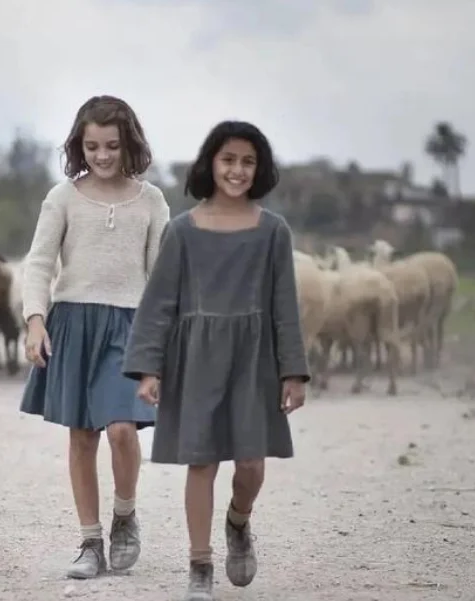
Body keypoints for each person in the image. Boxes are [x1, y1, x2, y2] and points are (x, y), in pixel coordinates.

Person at [122, 120, 310, 601]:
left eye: (248, 161)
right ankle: (199, 565)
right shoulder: (182, 231)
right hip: (197, 360)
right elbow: (159, 304)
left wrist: (293, 371)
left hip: (253, 361)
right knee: (201, 462)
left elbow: (285, 306)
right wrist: (149, 368)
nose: (237, 170)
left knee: (251, 463)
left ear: (259, 169)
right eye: (228, 159)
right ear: (210, 163)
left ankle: (238, 521)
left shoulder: (273, 231)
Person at [20, 95, 171, 580]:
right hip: (73, 323)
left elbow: (162, 276)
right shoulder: (62, 197)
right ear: (78, 147)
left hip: (130, 326)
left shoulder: (151, 200)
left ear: (129, 144)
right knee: (83, 435)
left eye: (111, 145)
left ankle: (124, 516)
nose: (102, 155)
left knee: (122, 428)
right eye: (92, 146)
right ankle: (90, 543)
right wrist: (35, 319)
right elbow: (39, 263)